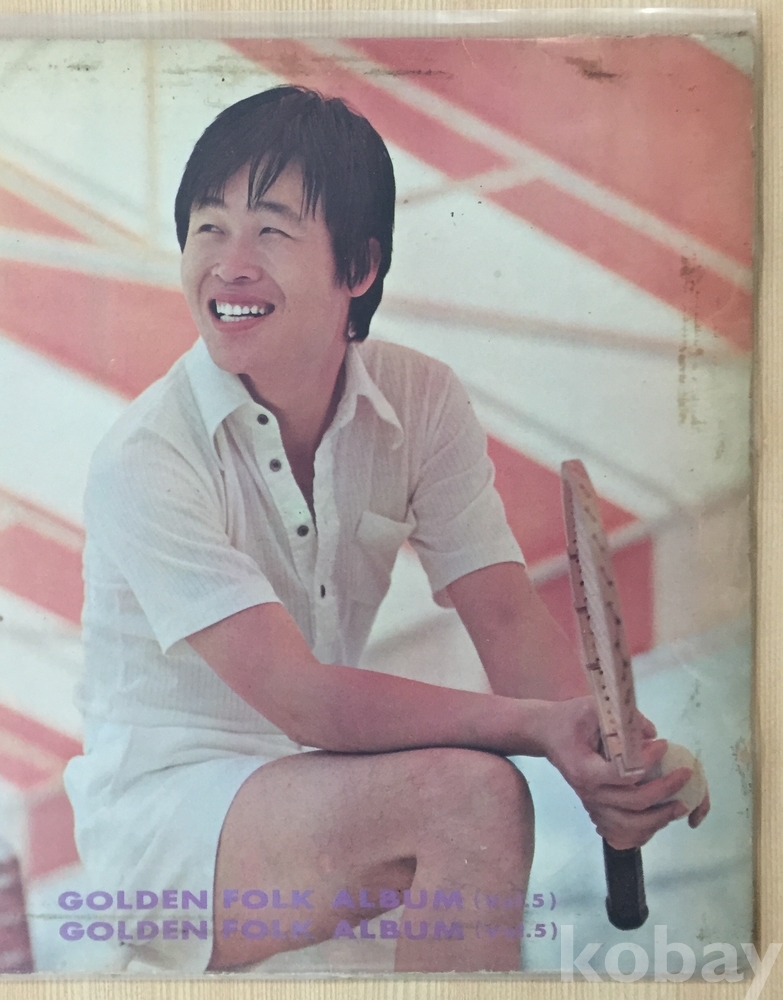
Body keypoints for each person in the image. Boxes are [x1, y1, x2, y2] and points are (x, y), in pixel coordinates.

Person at [63, 86, 708, 974]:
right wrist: (542, 729)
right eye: (209, 228)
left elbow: (507, 618)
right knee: (471, 797)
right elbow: (306, 699)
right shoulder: (145, 455)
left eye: (271, 231)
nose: (229, 264)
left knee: (472, 803)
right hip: (162, 829)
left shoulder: (424, 400)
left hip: (322, 792)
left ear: (359, 267)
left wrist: (610, 755)